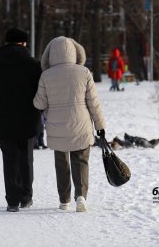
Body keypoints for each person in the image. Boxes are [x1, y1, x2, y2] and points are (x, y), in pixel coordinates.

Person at [33, 36, 106, 212]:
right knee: (80, 160)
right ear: (75, 52)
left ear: (50, 55)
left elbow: (39, 104)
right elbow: (93, 103)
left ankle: (64, 199)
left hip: (57, 126)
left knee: (61, 162)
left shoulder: (46, 76)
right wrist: (100, 126)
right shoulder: (84, 72)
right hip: (81, 124)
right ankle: (81, 196)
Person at [0, 28, 42, 212]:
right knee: (26, 159)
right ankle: (26, 197)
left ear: (6, 43)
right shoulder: (32, 64)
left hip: (4, 121)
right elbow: (41, 93)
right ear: (23, 43)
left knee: (10, 160)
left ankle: (12, 200)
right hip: (28, 119)